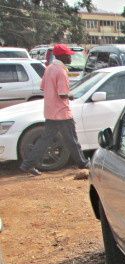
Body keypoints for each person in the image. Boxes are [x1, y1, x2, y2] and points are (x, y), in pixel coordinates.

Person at [19, 43, 87, 176]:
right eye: (68, 55)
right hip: (62, 112)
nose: (70, 58)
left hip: (51, 112)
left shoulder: (49, 68)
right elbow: (62, 94)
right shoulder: (61, 71)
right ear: (62, 56)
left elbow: (43, 87)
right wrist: (71, 96)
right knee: (72, 140)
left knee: (44, 140)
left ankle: (27, 165)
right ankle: (83, 163)